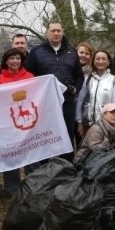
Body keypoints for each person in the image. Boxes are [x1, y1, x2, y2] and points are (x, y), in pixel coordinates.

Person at [24, 21, 84, 154]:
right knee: (45, 136)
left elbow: (79, 76)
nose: (56, 33)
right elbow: (28, 75)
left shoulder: (72, 52)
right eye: (53, 31)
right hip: (44, 104)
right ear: (47, 32)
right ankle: (45, 169)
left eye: (58, 30)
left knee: (67, 135)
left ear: (62, 32)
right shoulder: (36, 52)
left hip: (66, 102)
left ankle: (66, 168)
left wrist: (75, 89)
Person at [0, 47, 34, 195]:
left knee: (31, 151)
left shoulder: (30, 76)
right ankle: (12, 187)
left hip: (28, 123)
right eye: (12, 58)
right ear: (6, 61)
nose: (15, 61)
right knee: (11, 152)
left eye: (18, 58)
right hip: (8, 122)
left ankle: (33, 184)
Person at [76, 50, 115, 138]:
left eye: (103, 59)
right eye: (97, 59)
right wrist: (79, 122)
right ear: (93, 61)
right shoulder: (87, 79)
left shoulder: (114, 80)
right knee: (87, 150)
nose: (100, 61)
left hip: (106, 126)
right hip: (88, 125)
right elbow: (80, 101)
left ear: (108, 62)